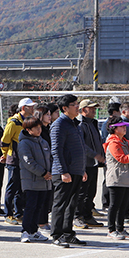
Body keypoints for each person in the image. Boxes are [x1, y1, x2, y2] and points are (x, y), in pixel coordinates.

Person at [49, 94, 87, 247]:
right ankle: (56, 235)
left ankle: (68, 233)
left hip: (76, 171)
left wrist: (82, 169)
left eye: (77, 104)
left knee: (71, 204)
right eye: (74, 104)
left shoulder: (74, 124)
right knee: (60, 204)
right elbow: (56, 150)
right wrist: (63, 171)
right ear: (65, 108)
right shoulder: (59, 124)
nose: (78, 107)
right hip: (64, 172)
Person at [17, 117, 52, 243]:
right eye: (36, 128)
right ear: (28, 130)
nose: (39, 130)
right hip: (31, 181)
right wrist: (43, 172)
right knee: (30, 207)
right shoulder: (24, 143)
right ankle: (25, 231)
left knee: (39, 206)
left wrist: (50, 172)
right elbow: (28, 162)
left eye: (40, 127)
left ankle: (34, 231)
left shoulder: (42, 141)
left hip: (44, 181)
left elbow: (50, 158)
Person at [1, 98, 35, 225]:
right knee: (12, 187)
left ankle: (18, 213)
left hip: (24, 160)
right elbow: (5, 141)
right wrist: (4, 155)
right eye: (30, 107)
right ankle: (8, 214)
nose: (32, 109)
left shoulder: (27, 122)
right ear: (23, 108)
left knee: (21, 188)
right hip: (14, 159)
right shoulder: (13, 123)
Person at [76, 99, 106, 229]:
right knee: (81, 192)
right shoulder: (80, 125)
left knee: (91, 191)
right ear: (83, 110)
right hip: (84, 164)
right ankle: (77, 216)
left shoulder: (93, 123)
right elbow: (81, 145)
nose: (94, 110)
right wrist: (95, 155)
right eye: (91, 108)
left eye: (94, 108)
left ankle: (88, 215)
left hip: (93, 164)